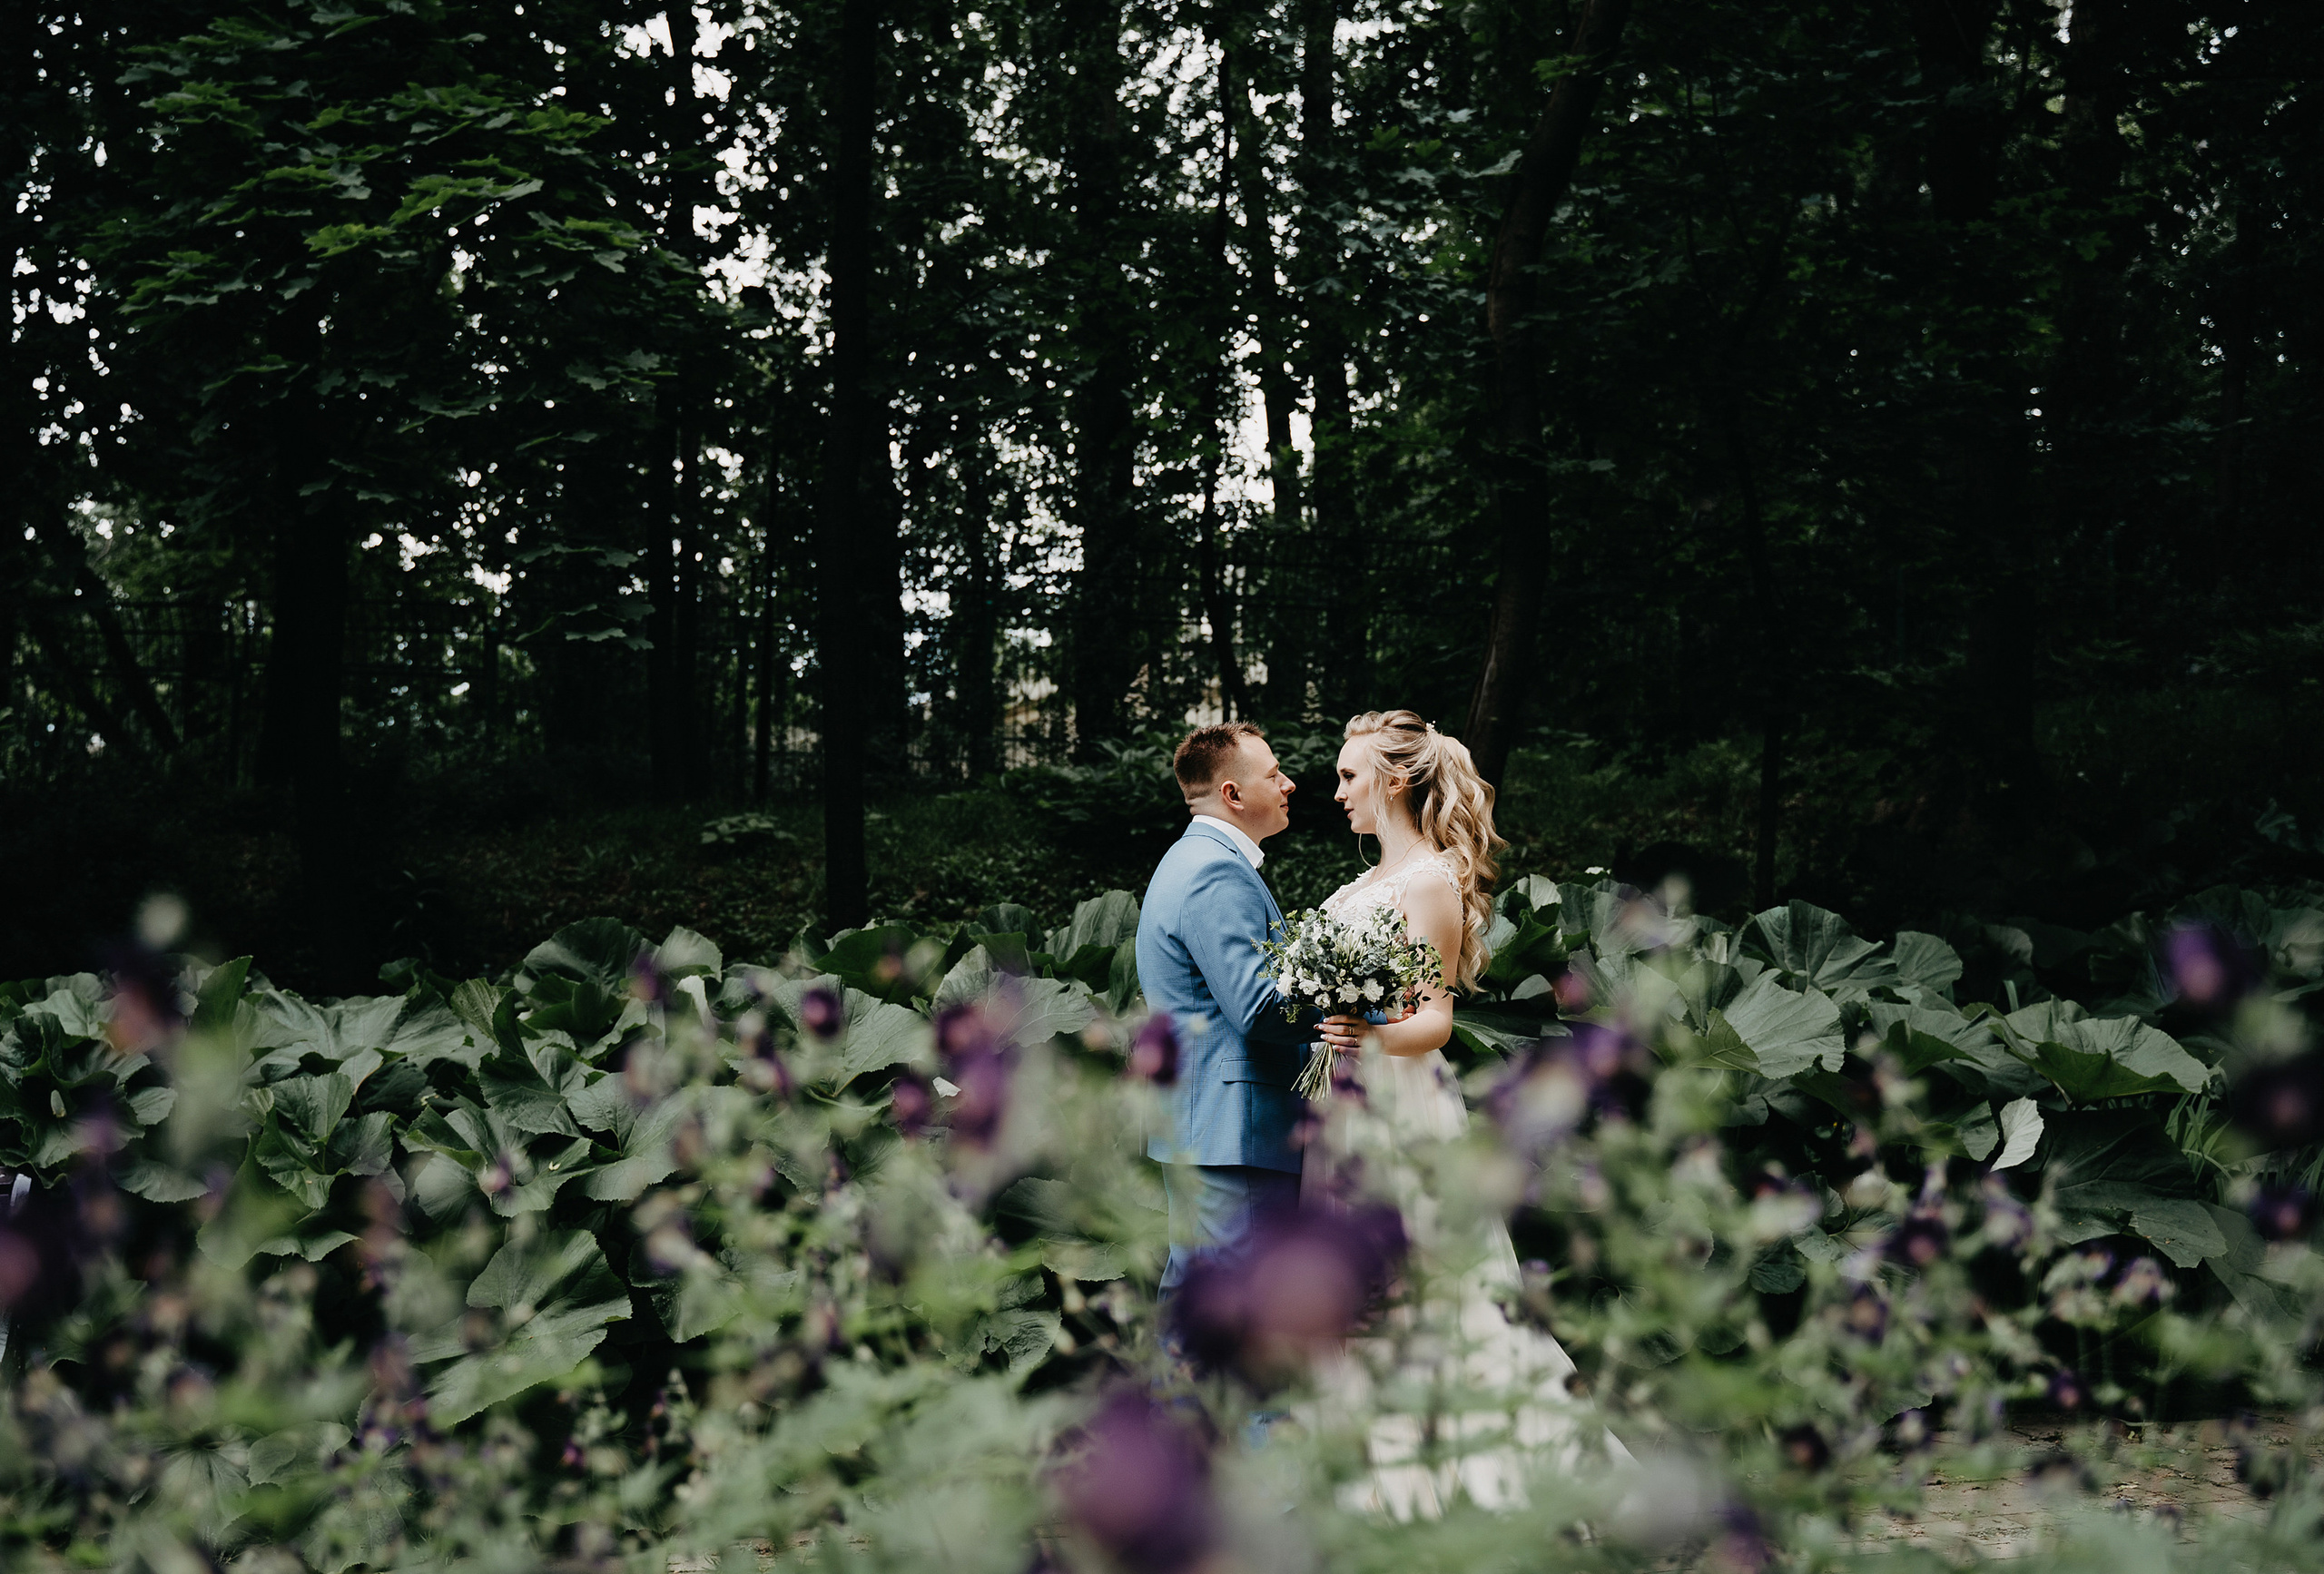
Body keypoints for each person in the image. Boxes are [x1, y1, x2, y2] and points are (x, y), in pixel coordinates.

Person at [1305, 707, 1623, 1517]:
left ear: (1396, 780)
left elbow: (1433, 1021)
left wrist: (1364, 1023)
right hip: (1345, 1110)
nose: (1337, 791)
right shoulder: (1360, 886)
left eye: (1350, 776)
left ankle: (1471, 1489)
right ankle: (1374, 1488)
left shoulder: (1429, 883)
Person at [1135, 722, 1309, 1296]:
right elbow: (1258, 1008)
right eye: (1274, 773)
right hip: (1234, 1128)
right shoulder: (1214, 871)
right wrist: (1356, 999)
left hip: (1205, 1123)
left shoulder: (1189, 860)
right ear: (1233, 794)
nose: (1289, 783)